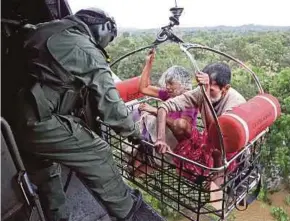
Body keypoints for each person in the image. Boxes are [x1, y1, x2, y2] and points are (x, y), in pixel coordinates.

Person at [15, 7, 162, 221]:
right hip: (40, 120)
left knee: (47, 173)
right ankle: (132, 213)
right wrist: (136, 135)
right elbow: (112, 107)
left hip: (18, 116)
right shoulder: (85, 48)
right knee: (98, 152)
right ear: (103, 29)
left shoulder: (46, 30)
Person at [155, 63, 246, 179]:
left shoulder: (236, 103)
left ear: (225, 89)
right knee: (184, 134)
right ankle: (200, 172)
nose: (205, 91)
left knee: (219, 160)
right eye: (203, 88)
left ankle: (218, 176)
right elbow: (164, 107)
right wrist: (160, 139)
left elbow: (216, 132)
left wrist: (206, 95)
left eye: (211, 90)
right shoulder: (202, 91)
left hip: (229, 148)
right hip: (210, 140)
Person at [128, 51, 198, 176]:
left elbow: (180, 128)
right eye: (166, 83)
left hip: (175, 145)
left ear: (183, 84)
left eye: (171, 83)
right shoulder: (170, 95)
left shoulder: (189, 102)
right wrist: (149, 63)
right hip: (158, 138)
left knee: (149, 164)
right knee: (138, 157)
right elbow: (144, 88)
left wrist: (155, 111)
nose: (167, 87)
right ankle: (134, 166)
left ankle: (136, 170)